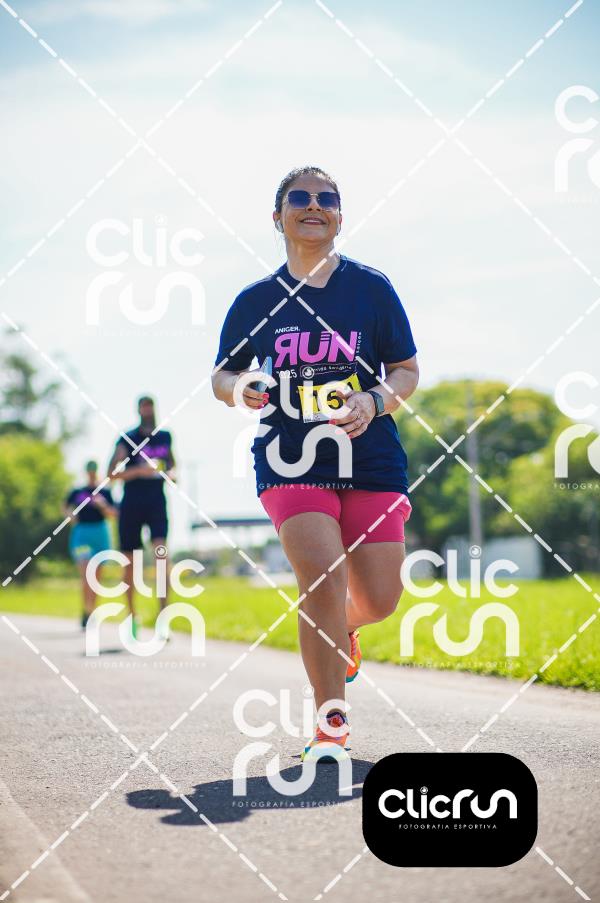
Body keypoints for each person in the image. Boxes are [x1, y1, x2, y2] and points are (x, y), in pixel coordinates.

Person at [212, 165, 419, 761]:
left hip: (369, 456)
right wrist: (241, 386)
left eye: (326, 199)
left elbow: (406, 370)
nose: (313, 205)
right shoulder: (255, 300)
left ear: (339, 217)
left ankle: (343, 627)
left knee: (379, 600)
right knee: (322, 580)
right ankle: (331, 728)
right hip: (290, 458)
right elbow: (223, 374)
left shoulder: (371, 289)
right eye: (299, 198)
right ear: (277, 217)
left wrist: (374, 400)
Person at [108, 396, 176, 639]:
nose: (147, 411)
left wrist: (167, 473)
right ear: (138, 410)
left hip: (156, 503)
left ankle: (163, 619)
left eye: (150, 407)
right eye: (143, 407)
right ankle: (131, 617)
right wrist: (139, 470)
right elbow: (111, 473)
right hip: (131, 505)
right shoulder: (127, 438)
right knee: (130, 564)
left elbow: (173, 468)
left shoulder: (165, 436)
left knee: (161, 556)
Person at [65, 460, 117, 629]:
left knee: (96, 577)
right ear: (86, 472)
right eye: (90, 470)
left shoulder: (105, 492)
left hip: (100, 533)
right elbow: (65, 507)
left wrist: (103, 505)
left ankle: (90, 611)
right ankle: (86, 609)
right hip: (82, 535)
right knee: (86, 573)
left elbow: (113, 513)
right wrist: (70, 516)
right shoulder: (77, 491)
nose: (92, 473)